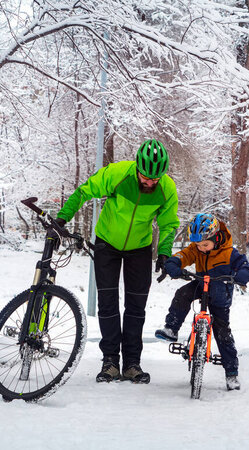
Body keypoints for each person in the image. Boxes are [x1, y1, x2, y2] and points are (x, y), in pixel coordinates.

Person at [55, 139, 179, 384]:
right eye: (145, 177)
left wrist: (164, 252)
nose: (149, 182)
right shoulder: (117, 174)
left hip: (140, 248)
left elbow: (168, 224)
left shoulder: (167, 188)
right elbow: (84, 191)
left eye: (155, 179)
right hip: (107, 244)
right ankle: (110, 360)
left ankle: (132, 363)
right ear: (137, 168)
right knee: (108, 303)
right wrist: (62, 218)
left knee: (136, 307)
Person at [155, 213, 249, 391]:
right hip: (201, 284)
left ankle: (231, 373)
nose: (201, 249)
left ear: (216, 237)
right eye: (198, 245)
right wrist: (174, 265)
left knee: (222, 331)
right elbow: (182, 256)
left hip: (220, 289)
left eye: (205, 245)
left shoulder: (229, 253)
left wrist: (243, 274)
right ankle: (171, 328)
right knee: (183, 293)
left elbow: (245, 265)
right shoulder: (196, 248)